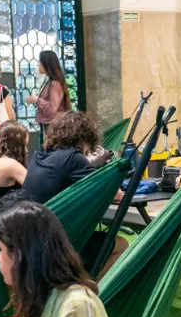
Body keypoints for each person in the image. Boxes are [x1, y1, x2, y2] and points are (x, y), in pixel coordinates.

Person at [23, 111, 126, 275]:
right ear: (85, 140)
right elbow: (116, 194)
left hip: (31, 240)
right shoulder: (73, 158)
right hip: (58, 245)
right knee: (121, 245)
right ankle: (93, 288)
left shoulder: (39, 155)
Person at [26, 50, 71, 143]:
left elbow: (51, 108)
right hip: (49, 125)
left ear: (46, 64)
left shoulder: (55, 84)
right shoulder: (49, 81)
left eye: (40, 62)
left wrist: (36, 99)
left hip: (54, 126)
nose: (38, 64)